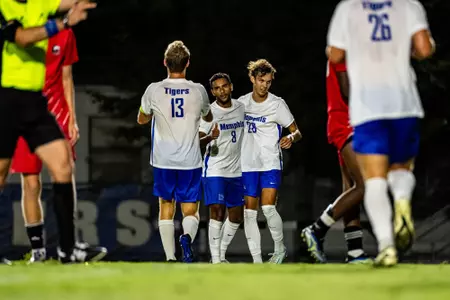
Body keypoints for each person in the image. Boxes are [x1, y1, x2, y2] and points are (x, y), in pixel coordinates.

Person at [327, 0, 435, 266]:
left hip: (368, 105)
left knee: (373, 180)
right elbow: (423, 48)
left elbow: (336, 55)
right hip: (404, 102)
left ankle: (387, 245)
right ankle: (402, 201)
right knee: (401, 170)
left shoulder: (348, 8)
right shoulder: (409, 6)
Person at [0, 0, 99, 264]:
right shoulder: (4, 6)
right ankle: (39, 250)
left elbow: (70, 1)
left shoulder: (41, 3)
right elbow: (21, 38)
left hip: (35, 104)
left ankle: (68, 250)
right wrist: (63, 22)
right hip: (6, 99)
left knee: (63, 165)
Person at [137, 41, 213, 263]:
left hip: (163, 160)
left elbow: (141, 118)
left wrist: (154, 113)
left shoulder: (154, 90)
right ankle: (186, 238)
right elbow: (208, 117)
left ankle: (170, 258)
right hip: (190, 160)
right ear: (188, 63)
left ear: (165, 63)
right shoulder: (198, 91)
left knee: (166, 207)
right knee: (190, 211)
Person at [301, 61, 370, 264]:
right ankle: (316, 230)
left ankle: (355, 253)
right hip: (345, 122)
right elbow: (347, 90)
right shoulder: (343, 48)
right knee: (364, 185)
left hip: (349, 121)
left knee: (350, 189)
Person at [238, 59, 302, 264]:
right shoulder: (241, 104)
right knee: (249, 213)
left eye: (268, 81)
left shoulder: (277, 104)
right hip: (247, 164)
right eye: (261, 80)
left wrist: (290, 138)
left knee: (268, 209)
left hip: (270, 163)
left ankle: (279, 249)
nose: (264, 85)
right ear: (252, 79)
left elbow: (297, 131)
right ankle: (257, 260)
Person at [199, 73, 245, 264]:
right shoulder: (209, 113)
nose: (222, 91)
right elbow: (197, 141)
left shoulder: (242, 108)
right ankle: (216, 260)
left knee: (236, 217)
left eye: (224, 86)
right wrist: (211, 137)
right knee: (217, 211)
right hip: (214, 170)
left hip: (237, 170)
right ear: (212, 91)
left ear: (231, 87)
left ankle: (221, 253)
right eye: (217, 88)